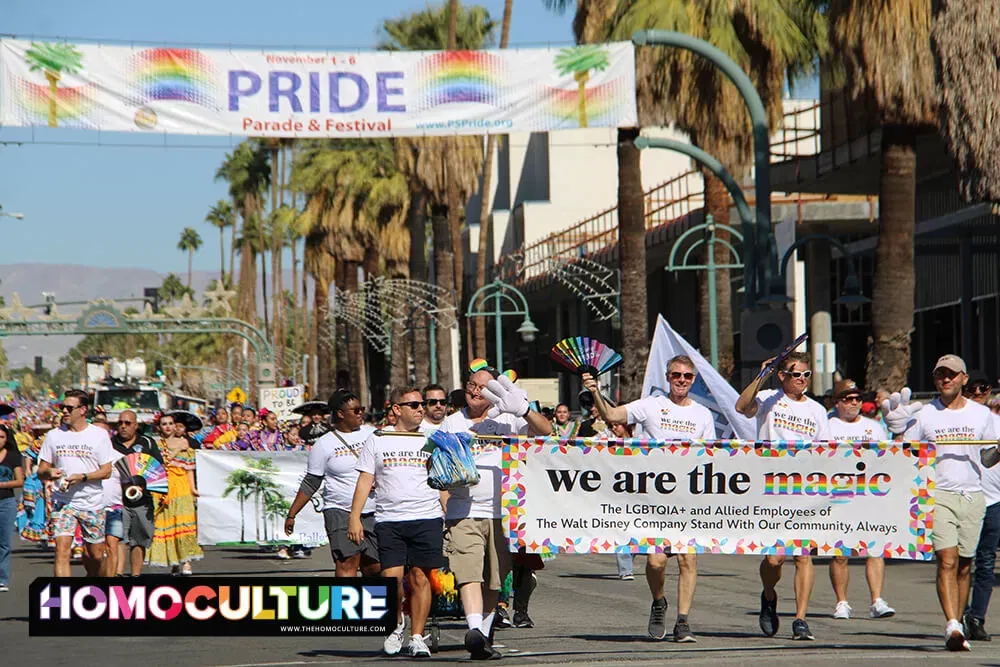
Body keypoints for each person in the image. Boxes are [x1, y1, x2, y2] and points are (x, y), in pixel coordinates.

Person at [583, 355, 716, 643]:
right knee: (656, 562)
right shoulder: (652, 405)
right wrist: (594, 390)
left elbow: (711, 458)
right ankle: (658, 602)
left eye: (687, 376)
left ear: (693, 380)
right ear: (667, 377)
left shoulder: (703, 415)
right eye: (676, 375)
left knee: (688, 559)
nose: (681, 380)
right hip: (654, 498)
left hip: (687, 500)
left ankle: (683, 622)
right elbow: (613, 416)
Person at [883, 355, 999, 651]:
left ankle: (957, 621)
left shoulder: (981, 414)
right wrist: (897, 430)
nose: (945, 380)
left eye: (950, 375)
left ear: (963, 379)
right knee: (946, 560)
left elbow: (986, 459)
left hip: (973, 495)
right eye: (939, 375)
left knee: (964, 565)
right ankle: (951, 625)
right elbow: (904, 453)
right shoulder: (925, 414)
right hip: (937, 495)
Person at [440, 365, 552, 658]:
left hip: (504, 511)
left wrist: (525, 410)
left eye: (483, 387)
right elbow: (435, 467)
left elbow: (546, 433)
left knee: (495, 578)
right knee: (468, 572)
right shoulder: (451, 423)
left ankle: (483, 633)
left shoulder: (509, 419)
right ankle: (474, 628)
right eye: (471, 385)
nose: (475, 391)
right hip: (463, 509)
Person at [736, 352, 829, 641]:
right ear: (782, 376)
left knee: (803, 555)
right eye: (795, 374)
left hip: (804, 489)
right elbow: (741, 407)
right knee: (775, 559)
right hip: (770, 487)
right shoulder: (768, 398)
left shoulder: (816, 410)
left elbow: (825, 452)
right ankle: (768, 596)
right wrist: (761, 374)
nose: (801, 379)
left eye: (806, 374)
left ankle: (800, 619)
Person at [348, 387, 444, 659]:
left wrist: (448, 511)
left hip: (426, 515)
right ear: (396, 409)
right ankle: (396, 625)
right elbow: (365, 479)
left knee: (420, 579)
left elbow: (443, 477)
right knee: (391, 579)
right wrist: (354, 517)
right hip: (390, 518)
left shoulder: (432, 437)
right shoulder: (378, 440)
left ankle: (417, 636)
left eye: (421, 404)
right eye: (413, 404)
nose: (420, 409)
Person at [285, 389, 379, 572]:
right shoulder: (324, 444)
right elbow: (312, 480)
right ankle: (342, 601)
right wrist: (292, 514)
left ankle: (372, 600)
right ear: (340, 414)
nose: (361, 413)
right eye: (356, 410)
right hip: (340, 510)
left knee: (375, 567)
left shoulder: (373, 434)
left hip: (373, 509)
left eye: (362, 409)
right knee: (348, 562)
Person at [825, 380, 894, 620]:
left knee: (874, 548)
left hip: (869, 493)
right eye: (847, 399)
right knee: (840, 552)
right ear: (837, 403)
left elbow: (887, 458)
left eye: (857, 398)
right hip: (838, 495)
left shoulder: (874, 427)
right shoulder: (827, 426)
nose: (854, 403)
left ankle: (877, 600)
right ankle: (842, 602)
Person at [36, 390, 115, 577]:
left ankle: (97, 585)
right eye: (62, 407)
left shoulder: (99, 435)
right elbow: (40, 470)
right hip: (63, 502)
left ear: (83, 410)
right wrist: (49, 472)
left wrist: (83, 477)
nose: (64, 411)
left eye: (69, 408)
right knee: (61, 550)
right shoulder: (54, 436)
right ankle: (65, 594)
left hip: (91, 501)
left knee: (95, 555)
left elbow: (107, 471)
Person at [965, 371, 1000, 641]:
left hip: (993, 502)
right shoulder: (960, 420)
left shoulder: (995, 422)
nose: (978, 394)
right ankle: (957, 614)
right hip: (963, 498)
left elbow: (990, 458)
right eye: (972, 390)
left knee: (986, 563)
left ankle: (977, 617)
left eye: (983, 389)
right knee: (959, 562)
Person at [147, 413, 204, 575]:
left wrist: (193, 489)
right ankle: (174, 562)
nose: (168, 427)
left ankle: (186, 562)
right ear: (159, 427)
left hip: (181, 487)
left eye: (170, 423)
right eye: (164, 424)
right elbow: (157, 466)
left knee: (184, 523)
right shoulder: (156, 445)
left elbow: (189, 470)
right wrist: (178, 448)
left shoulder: (187, 444)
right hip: (163, 488)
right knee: (167, 524)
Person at [111, 410, 163, 577]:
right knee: (118, 538)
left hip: (142, 500)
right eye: (120, 423)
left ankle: (135, 575)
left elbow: (157, 469)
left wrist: (144, 486)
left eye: (127, 423)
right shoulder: (110, 443)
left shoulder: (147, 443)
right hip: (117, 499)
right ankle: (117, 573)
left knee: (138, 540)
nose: (123, 426)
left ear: (136, 425)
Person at [0, 422, 24, 591]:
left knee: (4, 543)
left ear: (6, 439)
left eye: (1, 437)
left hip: (6, 502)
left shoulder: (13, 456)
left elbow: (20, 480)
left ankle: (2, 579)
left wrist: (2, 484)